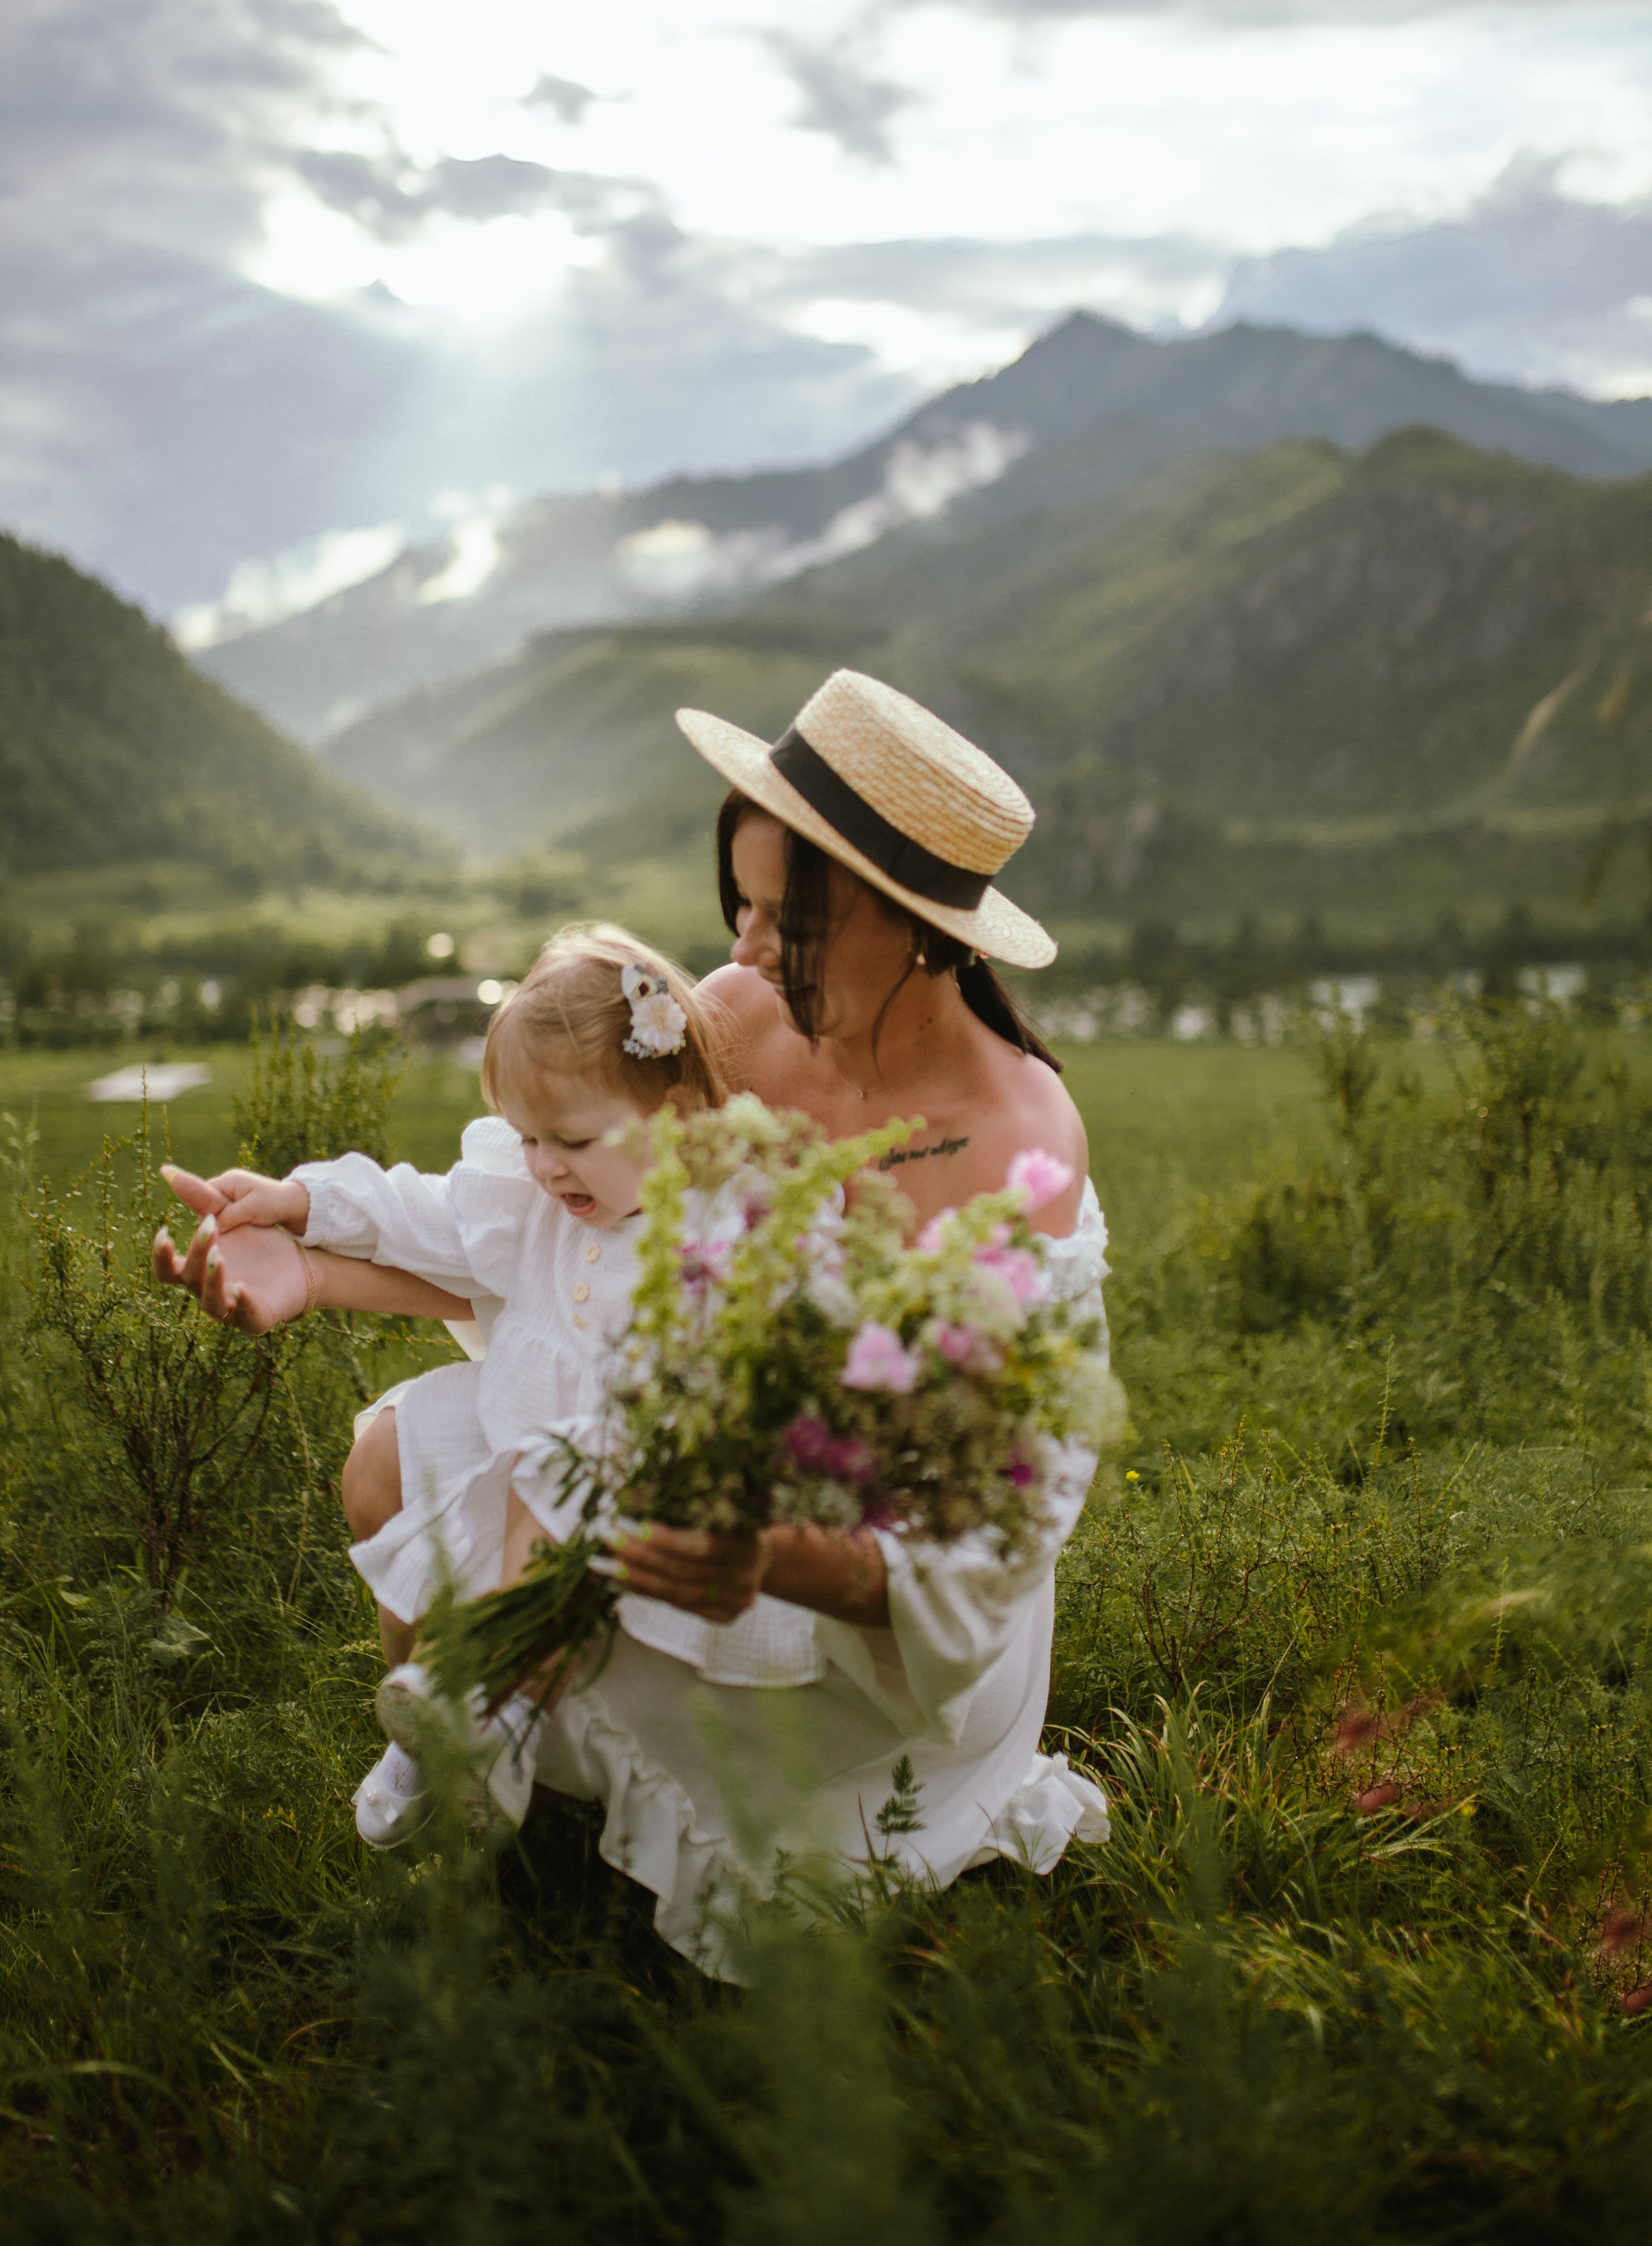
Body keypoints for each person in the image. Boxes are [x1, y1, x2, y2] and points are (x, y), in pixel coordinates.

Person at [156, 671, 1113, 1975]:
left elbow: (983, 1506)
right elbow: (565, 1240)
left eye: (793, 921)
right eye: (741, 905)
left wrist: (768, 1553)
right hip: (656, 1436)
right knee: (393, 1459)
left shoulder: (1006, 1147)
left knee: (565, 1533)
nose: (749, 952)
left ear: (919, 928)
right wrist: (312, 1262)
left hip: (850, 1560)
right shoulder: (734, 1020)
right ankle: (506, 1808)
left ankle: (628, 1808)